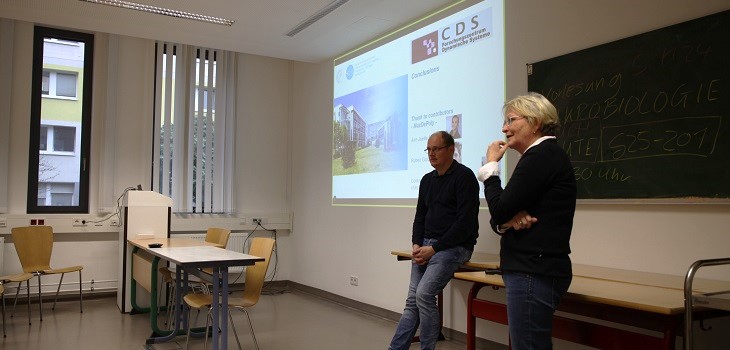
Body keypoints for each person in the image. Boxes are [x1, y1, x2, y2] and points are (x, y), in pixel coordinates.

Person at [478, 92, 576, 350]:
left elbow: (498, 210)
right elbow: (500, 219)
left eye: (511, 120)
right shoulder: (541, 156)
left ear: (535, 122)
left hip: (534, 271)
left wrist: (490, 167)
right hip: (533, 269)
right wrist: (508, 222)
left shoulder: (540, 156)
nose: (504, 128)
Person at [389, 131, 480, 350]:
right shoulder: (426, 180)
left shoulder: (464, 177)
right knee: (412, 301)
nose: (431, 154)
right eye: (428, 150)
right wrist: (416, 245)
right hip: (427, 246)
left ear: (451, 149)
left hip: (455, 247)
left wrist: (435, 248)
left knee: (423, 294)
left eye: (436, 149)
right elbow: (419, 217)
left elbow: (465, 224)